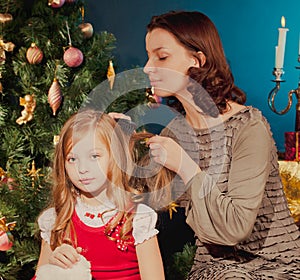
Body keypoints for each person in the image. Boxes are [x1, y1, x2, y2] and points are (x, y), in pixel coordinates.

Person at [142, 10, 300, 279]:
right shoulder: (175, 132)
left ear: (197, 60)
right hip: (214, 268)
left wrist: (185, 166)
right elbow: (144, 198)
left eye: (162, 56)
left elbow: (236, 228)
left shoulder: (247, 127)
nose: (147, 67)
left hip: (277, 264)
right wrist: (111, 140)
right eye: (148, 56)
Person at [33, 109, 165, 280]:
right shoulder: (57, 220)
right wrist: (53, 266)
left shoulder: (137, 219)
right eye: (72, 159)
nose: (82, 169)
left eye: (94, 156)